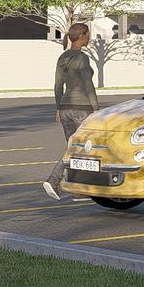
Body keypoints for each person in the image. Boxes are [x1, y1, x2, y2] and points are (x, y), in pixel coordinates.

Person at [42, 22, 97, 200]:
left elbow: (58, 86)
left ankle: (78, 191)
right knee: (85, 148)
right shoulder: (82, 58)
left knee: (74, 148)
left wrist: (59, 107)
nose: (89, 38)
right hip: (82, 109)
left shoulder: (62, 57)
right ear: (81, 36)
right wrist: (96, 110)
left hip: (66, 109)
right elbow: (88, 86)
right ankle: (54, 179)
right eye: (88, 35)